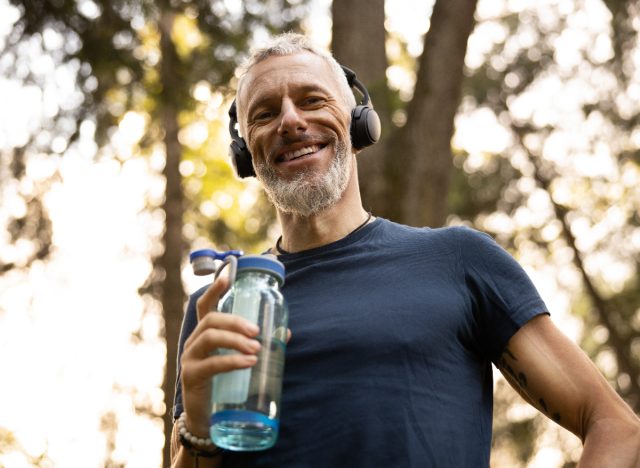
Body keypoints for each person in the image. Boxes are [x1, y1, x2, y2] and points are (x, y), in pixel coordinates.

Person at [170, 32, 640, 467]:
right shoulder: (224, 304)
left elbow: (614, 426)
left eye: (312, 100)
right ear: (245, 151)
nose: (291, 121)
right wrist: (195, 422)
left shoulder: (458, 261)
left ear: (357, 123)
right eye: (266, 113)